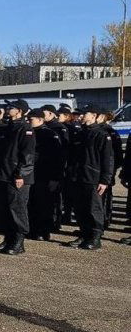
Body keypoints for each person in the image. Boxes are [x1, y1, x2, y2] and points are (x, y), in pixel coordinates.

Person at [0, 99, 35, 256]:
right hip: (3, 174)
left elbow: (27, 154)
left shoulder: (25, 129)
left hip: (17, 177)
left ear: (19, 111)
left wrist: (21, 173)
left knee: (17, 209)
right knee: (5, 209)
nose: (8, 109)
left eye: (11, 107)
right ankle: (8, 239)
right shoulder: (8, 128)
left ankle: (18, 241)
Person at [66, 105, 114, 250]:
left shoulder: (101, 134)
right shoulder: (80, 133)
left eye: (85, 113)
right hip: (78, 176)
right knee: (80, 208)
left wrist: (105, 180)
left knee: (93, 209)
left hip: (93, 177)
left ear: (94, 115)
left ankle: (95, 237)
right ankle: (84, 233)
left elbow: (107, 159)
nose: (81, 116)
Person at [27, 109, 65, 241]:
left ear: (40, 119)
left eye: (31, 119)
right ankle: (32, 229)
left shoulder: (49, 134)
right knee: (32, 202)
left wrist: (55, 177)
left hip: (45, 174)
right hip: (33, 174)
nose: (28, 121)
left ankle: (44, 231)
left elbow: (58, 157)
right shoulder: (29, 133)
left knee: (44, 204)